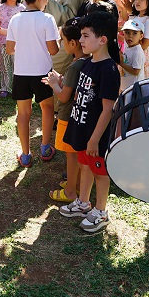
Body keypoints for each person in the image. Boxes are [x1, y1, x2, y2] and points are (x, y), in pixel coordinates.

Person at [54, 11, 120, 232]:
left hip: (96, 136)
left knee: (100, 173)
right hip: (82, 129)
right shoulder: (88, 62)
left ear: (102, 40)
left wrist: (94, 140)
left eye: (85, 35)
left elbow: (108, 109)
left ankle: (101, 212)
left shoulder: (109, 69)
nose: (80, 40)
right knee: (84, 166)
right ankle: (83, 202)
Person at [7, 0, 60, 166]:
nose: (47, 2)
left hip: (21, 73)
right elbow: (54, 50)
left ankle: (25, 154)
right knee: (47, 109)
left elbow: (9, 49)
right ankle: (45, 147)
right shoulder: (47, 19)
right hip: (43, 72)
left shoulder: (15, 19)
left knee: (23, 114)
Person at [43, 18, 87, 202]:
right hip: (78, 116)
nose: (61, 44)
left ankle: (70, 190)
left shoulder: (76, 64)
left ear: (72, 43)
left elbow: (63, 97)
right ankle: (75, 184)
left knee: (70, 154)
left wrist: (54, 84)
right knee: (75, 153)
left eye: (62, 40)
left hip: (68, 116)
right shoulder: (85, 60)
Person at [0, 0, 24, 98]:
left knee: (17, 65)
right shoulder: (0, 8)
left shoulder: (22, 8)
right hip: (3, 41)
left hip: (18, 42)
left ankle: (17, 87)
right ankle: (5, 88)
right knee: (5, 66)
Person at [118, 20, 145, 92]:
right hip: (126, 87)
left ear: (141, 36)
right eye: (127, 32)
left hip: (133, 89)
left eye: (135, 33)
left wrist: (121, 63)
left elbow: (136, 71)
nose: (130, 36)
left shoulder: (137, 51)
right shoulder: (129, 47)